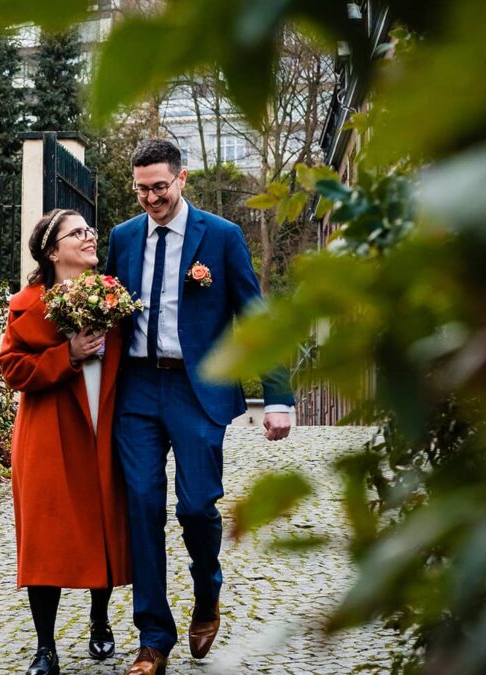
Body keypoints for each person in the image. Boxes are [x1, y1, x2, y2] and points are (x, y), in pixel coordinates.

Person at [104, 139, 295, 675]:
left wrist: (277, 395)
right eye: (141, 189)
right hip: (137, 389)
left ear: (181, 179)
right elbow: (107, 312)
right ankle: (153, 638)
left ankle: (207, 593)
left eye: (159, 187)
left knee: (194, 507)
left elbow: (256, 315)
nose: (150, 199)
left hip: (197, 390)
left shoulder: (223, 236)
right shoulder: (122, 238)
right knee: (141, 505)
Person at [0, 208, 133, 675]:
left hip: (106, 420)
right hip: (50, 430)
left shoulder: (114, 296)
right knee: (46, 533)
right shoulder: (28, 304)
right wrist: (66, 354)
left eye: (90, 229)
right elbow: (13, 369)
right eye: (78, 232)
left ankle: (99, 620)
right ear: (53, 250)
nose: (89, 236)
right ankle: (45, 647)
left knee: (103, 520)